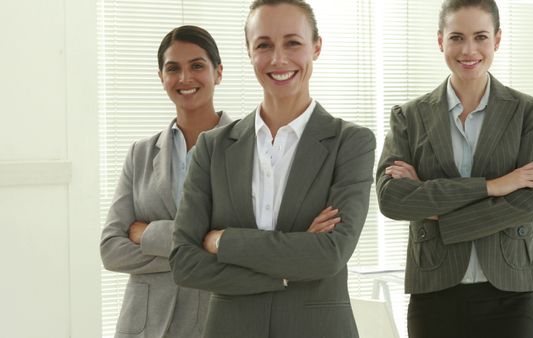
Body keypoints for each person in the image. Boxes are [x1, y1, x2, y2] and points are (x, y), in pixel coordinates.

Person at [169, 1, 376, 337]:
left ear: (316, 47)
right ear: (249, 52)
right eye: (264, 45)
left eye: (293, 42)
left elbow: (329, 255)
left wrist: (224, 241)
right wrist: (283, 271)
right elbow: (184, 262)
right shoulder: (213, 147)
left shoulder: (350, 143)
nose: (278, 59)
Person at [376, 1, 533, 337]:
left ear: (497, 40)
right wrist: (494, 186)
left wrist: (438, 213)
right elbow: (392, 199)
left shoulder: (529, 112)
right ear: (440, 40)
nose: (468, 50)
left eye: (480, 37)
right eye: (456, 37)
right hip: (434, 291)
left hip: (510, 293)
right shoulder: (409, 117)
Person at [100, 25, 233, 337]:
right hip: (144, 327)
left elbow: (244, 245)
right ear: (161, 77)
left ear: (218, 73)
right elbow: (111, 249)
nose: (185, 78)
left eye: (197, 66)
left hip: (216, 322)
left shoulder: (247, 148)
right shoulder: (141, 154)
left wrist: (148, 233)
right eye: (173, 68)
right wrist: (201, 247)